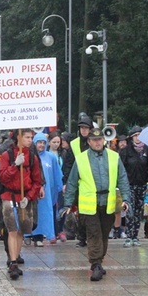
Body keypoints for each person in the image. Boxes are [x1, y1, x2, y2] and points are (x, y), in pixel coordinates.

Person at [62, 128, 131, 281]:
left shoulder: (114, 157)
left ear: (103, 141)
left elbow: (123, 178)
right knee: (94, 234)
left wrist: (126, 199)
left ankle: (99, 260)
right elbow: (72, 182)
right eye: (94, 140)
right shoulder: (81, 159)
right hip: (89, 205)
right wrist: (67, 204)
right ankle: (95, 264)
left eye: (100, 139)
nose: (97, 142)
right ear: (89, 142)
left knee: (104, 234)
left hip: (108, 203)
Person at [0, 129, 43, 280]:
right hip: (9, 195)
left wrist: (30, 196)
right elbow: (3, 178)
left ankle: (16, 257)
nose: (30, 140)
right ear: (19, 137)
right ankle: (12, 262)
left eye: (31, 137)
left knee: (22, 229)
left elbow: (37, 181)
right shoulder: (7, 155)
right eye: (27, 137)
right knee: (12, 228)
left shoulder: (32, 157)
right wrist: (15, 165)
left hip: (25, 197)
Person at [119, 126, 148, 247]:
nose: (137, 138)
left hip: (141, 185)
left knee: (138, 211)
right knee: (130, 210)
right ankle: (129, 235)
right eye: (135, 135)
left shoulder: (147, 151)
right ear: (131, 137)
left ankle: (135, 236)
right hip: (129, 185)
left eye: (139, 135)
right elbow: (121, 169)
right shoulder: (126, 151)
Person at [63, 113, 93, 247]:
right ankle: (82, 237)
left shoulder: (96, 142)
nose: (84, 130)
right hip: (79, 183)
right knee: (81, 212)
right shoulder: (74, 144)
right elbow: (68, 165)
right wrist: (67, 182)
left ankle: (92, 235)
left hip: (93, 183)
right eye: (82, 128)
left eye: (86, 128)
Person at [32, 133, 62, 246]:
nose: (41, 145)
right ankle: (31, 235)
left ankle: (42, 235)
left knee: (45, 213)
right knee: (33, 212)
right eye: (39, 142)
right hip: (32, 191)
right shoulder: (30, 156)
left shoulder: (51, 157)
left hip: (47, 192)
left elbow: (56, 174)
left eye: (43, 142)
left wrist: (58, 187)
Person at [48, 131, 67, 242]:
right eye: (54, 142)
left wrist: (65, 183)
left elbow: (66, 168)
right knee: (51, 208)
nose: (56, 144)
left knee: (62, 207)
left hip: (60, 184)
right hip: (49, 185)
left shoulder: (63, 153)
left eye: (58, 142)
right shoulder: (45, 154)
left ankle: (60, 230)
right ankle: (53, 231)